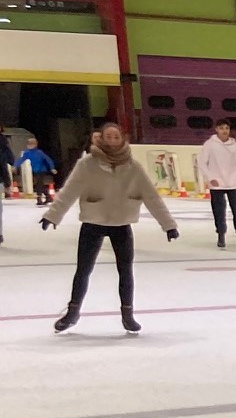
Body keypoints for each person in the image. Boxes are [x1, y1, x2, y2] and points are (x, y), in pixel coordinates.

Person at [40, 121, 179, 334]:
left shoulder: (133, 166)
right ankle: (73, 312)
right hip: (93, 222)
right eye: (108, 137)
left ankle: (127, 314)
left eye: (116, 137)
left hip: (121, 223)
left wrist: (168, 225)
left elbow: (151, 196)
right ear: (101, 139)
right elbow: (69, 191)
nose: (113, 141)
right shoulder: (87, 164)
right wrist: (52, 215)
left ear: (122, 139)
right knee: (83, 270)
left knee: (125, 272)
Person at [197, 121, 236, 250]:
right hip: (216, 184)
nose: (225, 130)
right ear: (216, 129)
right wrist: (211, 178)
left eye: (227, 128)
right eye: (222, 128)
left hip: (233, 183)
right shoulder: (210, 145)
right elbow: (202, 163)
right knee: (219, 211)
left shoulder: (235, 145)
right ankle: (221, 235)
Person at [19, 136, 57, 205]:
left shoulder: (39, 152)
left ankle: (39, 199)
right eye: (29, 144)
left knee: (39, 184)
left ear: (36, 145)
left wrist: (52, 168)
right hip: (35, 170)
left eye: (32, 144)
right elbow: (21, 160)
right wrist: (15, 166)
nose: (30, 146)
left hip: (42, 170)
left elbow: (48, 160)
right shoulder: (27, 153)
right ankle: (48, 197)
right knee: (40, 184)